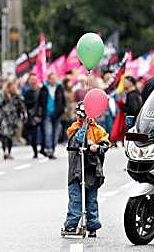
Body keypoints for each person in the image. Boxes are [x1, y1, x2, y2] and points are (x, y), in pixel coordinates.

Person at [62, 102, 111, 238]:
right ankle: (71, 224)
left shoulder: (98, 130)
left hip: (91, 169)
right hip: (76, 169)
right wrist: (84, 126)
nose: (83, 119)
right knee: (75, 198)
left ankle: (92, 225)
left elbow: (106, 143)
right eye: (81, 117)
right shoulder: (74, 128)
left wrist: (98, 146)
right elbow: (77, 139)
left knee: (91, 199)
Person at [0, 81, 27, 160]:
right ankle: (5, 151)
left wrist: (23, 114)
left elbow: (22, 105)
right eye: (12, 87)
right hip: (4, 117)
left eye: (14, 87)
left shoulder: (17, 95)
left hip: (13, 118)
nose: (13, 89)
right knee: (4, 134)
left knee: (10, 136)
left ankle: (9, 151)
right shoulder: (2, 94)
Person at [37, 72, 66, 159]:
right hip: (47, 114)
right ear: (48, 79)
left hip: (57, 114)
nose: (53, 80)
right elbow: (39, 102)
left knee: (56, 133)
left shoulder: (59, 88)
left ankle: (53, 149)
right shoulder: (44, 88)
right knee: (48, 132)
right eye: (51, 78)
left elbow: (63, 102)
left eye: (54, 78)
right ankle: (49, 149)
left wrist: (61, 111)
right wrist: (39, 112)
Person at [22, 73, 42, 158]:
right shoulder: (27, 92)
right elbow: (25, 104)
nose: (33, 81)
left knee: (43, 132)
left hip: (41, 115)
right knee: (33, 135)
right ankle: (35, 151)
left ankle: (43, 148)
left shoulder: (41, 90)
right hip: (31, 116)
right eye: (31, 79)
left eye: (34, 79)